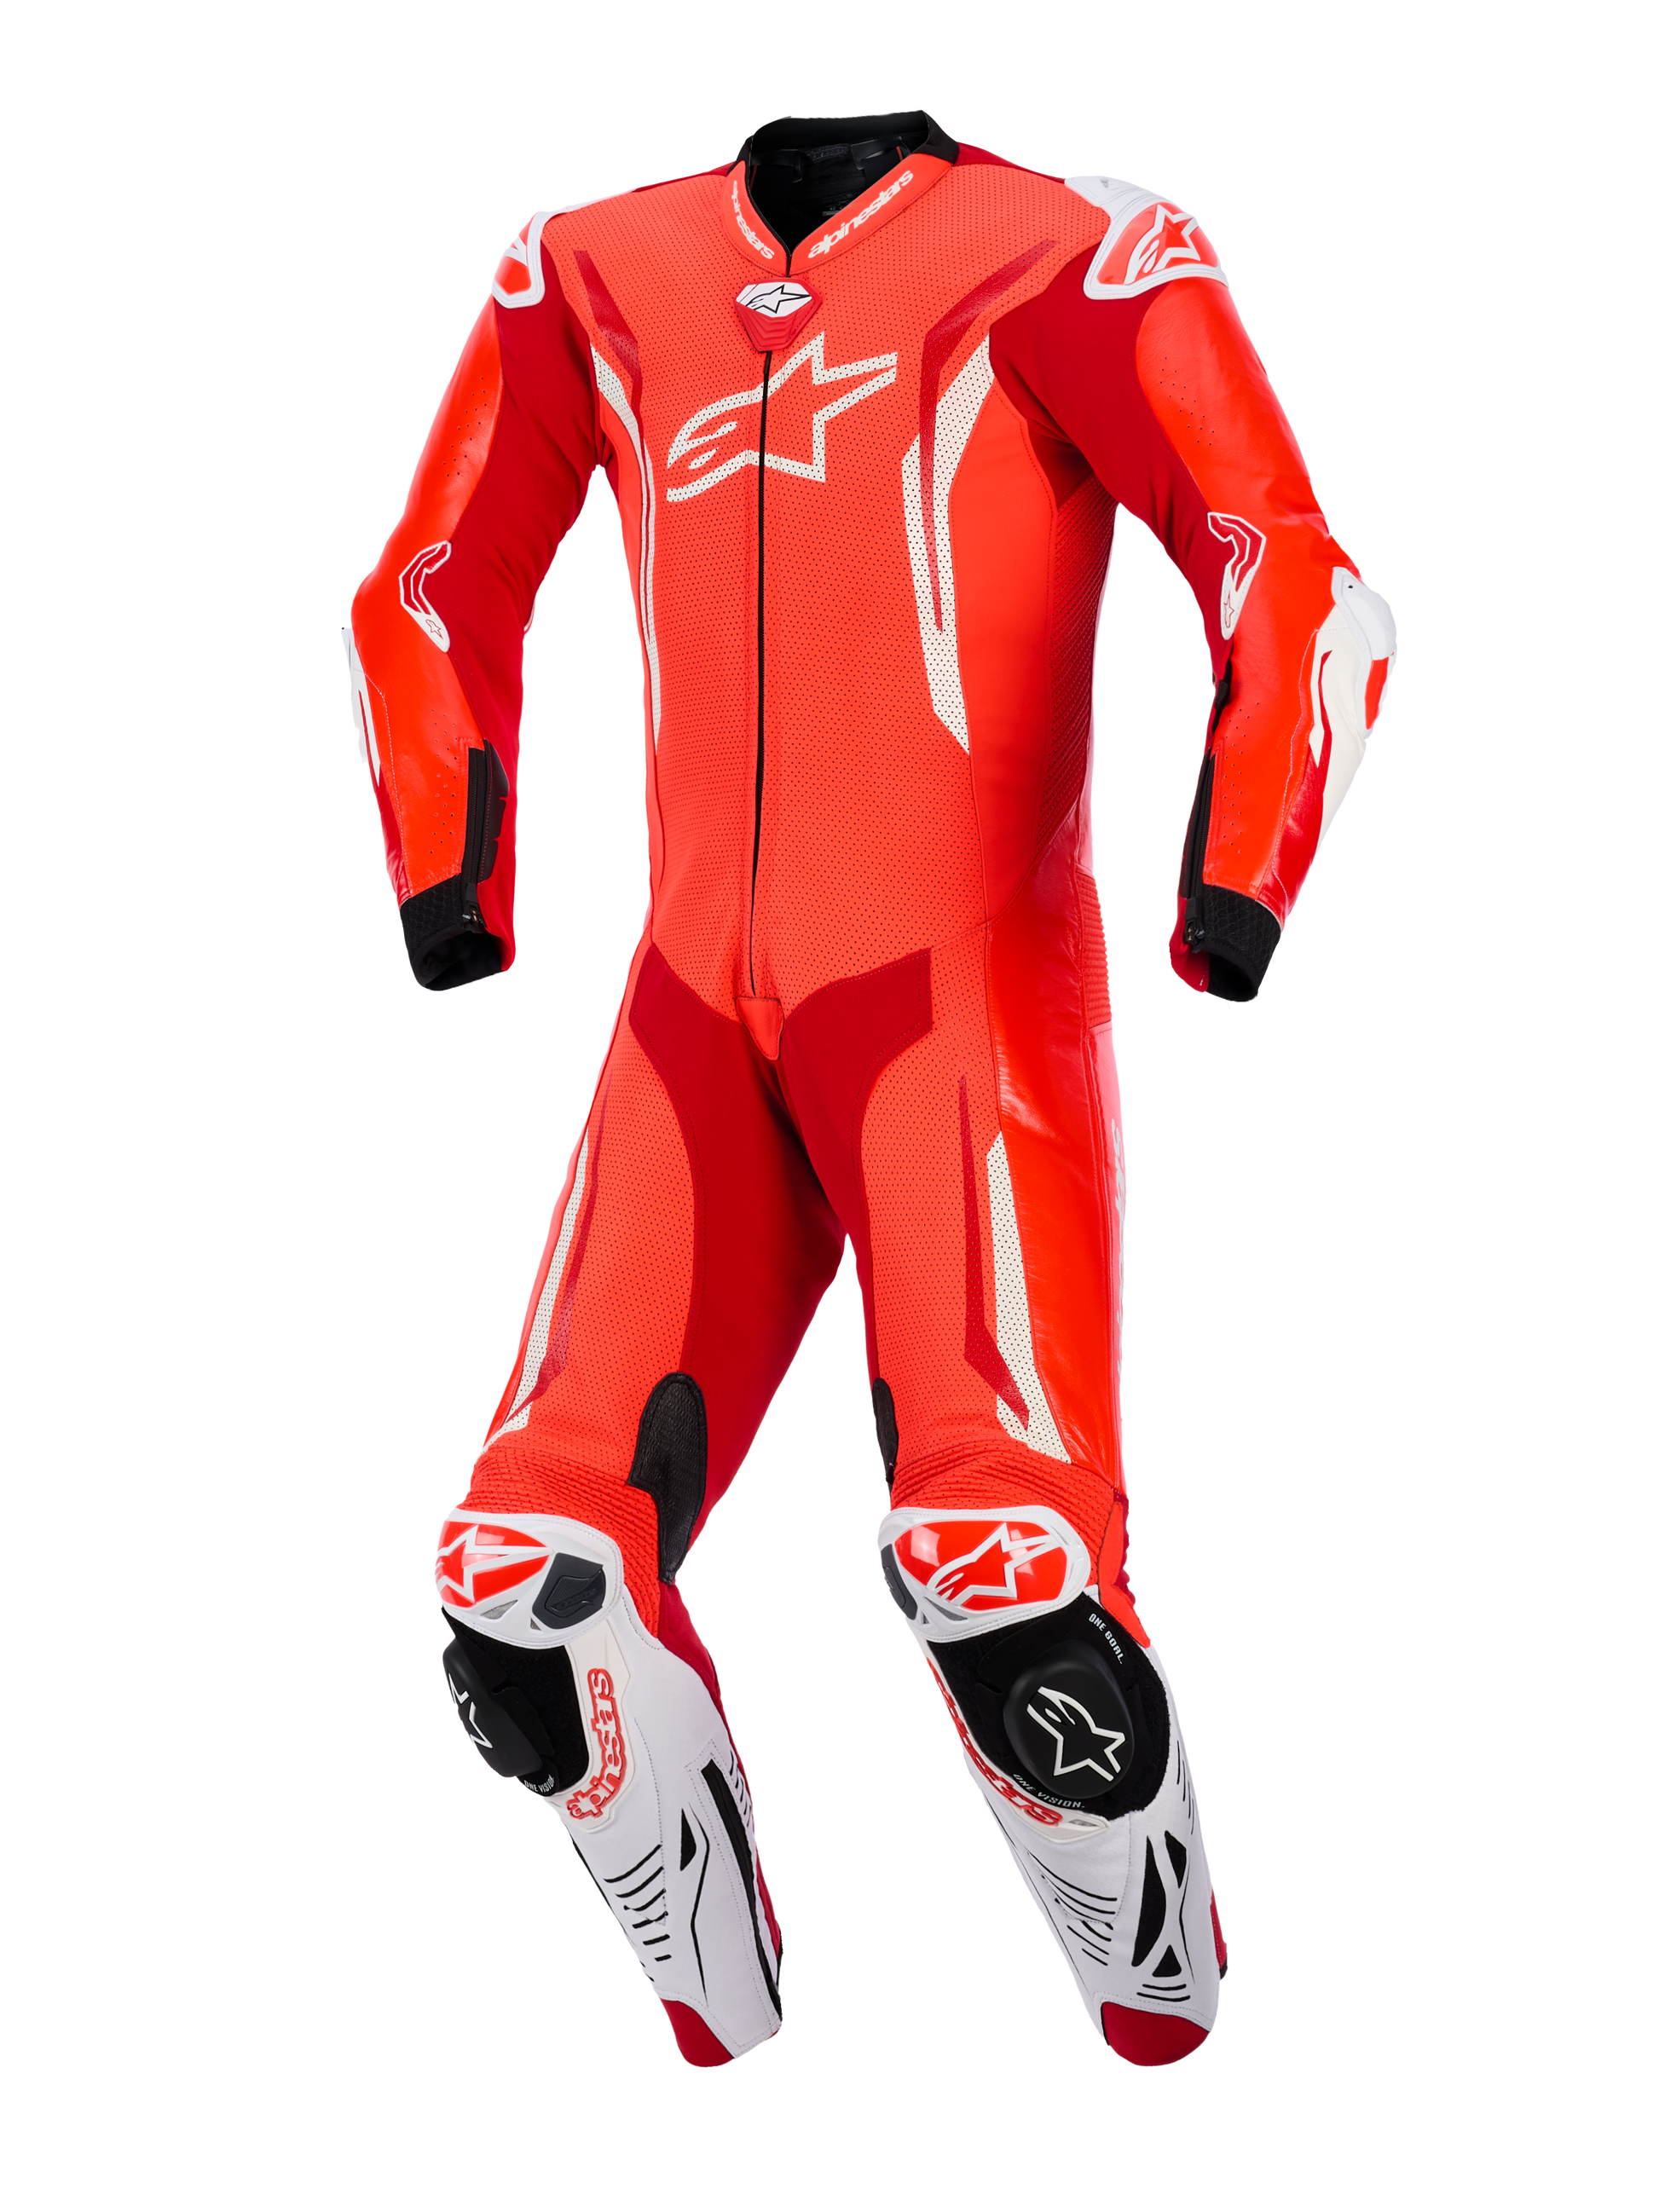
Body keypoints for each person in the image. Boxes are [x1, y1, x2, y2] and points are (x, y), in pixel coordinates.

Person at [342, 109, 1399, 2069]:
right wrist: (445, 868)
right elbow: (425, 579)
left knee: (1002, 1573)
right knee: (512, 1589)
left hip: (961, 1011)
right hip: (688, 1013)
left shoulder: (1071, 243)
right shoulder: (585, 265)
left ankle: (1154, 1982)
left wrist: (1238, 874)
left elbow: (1293, 573)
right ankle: (716, 1995)